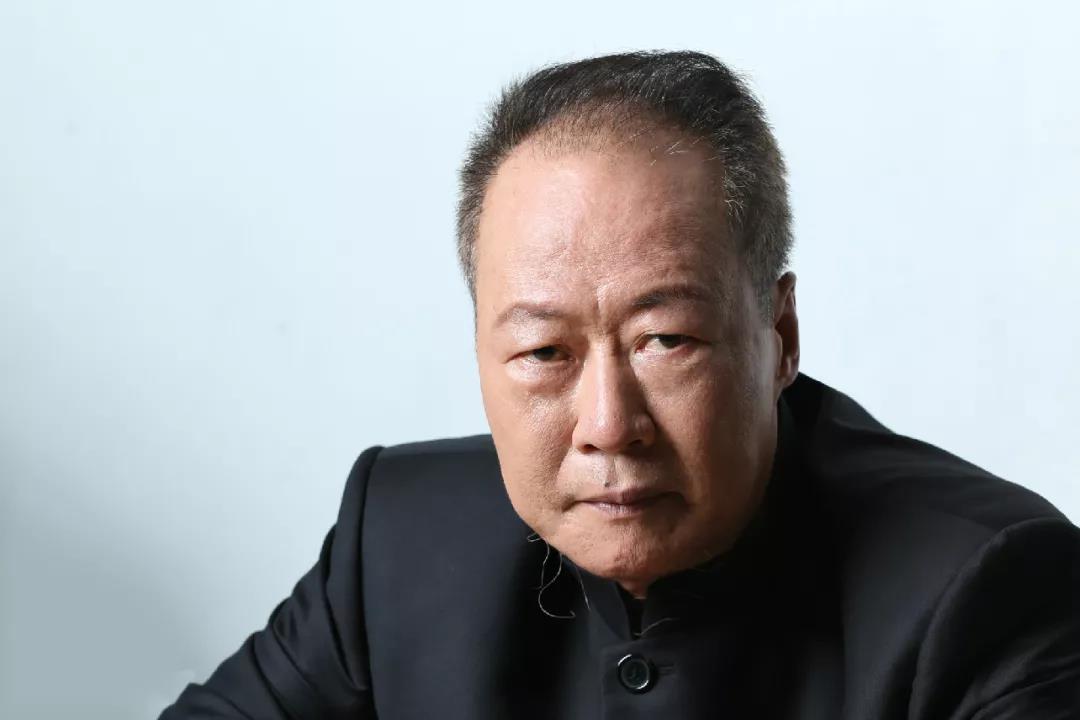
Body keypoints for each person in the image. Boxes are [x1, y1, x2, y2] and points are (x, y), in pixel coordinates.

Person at [159, 51, 1080, 719]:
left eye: (664, 340)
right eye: (543, 353)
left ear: (780, 335)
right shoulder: (397, 541)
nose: (608, 425)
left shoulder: (992, 588)